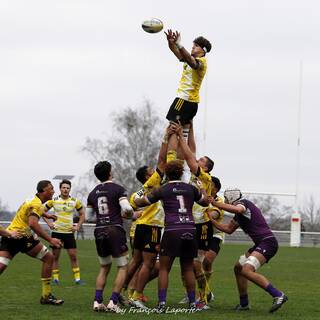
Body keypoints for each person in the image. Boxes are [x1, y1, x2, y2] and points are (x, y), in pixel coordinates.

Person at [135, 160, 209, 313]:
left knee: (163, 269)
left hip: (172, 230)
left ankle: (162, 304)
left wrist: (137, 198)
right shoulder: (191, 188)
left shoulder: (162, 189)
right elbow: (205, 202)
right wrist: (202, 190)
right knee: (188, 268)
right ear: (181, 173)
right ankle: (192, 304)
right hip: (190, 229)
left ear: (166, 174)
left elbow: (142, 202)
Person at [210, 188, 288, 313]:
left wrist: (216, 204)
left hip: (267, 242)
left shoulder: (243, 203)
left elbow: (238, 209)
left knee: (246, 270)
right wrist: (212, 221)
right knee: (238, 268)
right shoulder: (239, 215)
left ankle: (278, 295)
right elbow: (229, 229)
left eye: (225, 199)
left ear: (231, 197)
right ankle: (244, 304)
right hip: (260, 243)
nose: (224, 201)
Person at [0, 180, 64, 305]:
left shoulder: (32, 199)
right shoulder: (37, 204)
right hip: (23, 237)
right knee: (49, 258)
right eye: (51, 189)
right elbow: (33, 224)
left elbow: (33, 210)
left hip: (10, 236)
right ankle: (46, 296)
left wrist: (47, 215)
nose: (53, 191)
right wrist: (51, 239)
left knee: (1, 267)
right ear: (44, 191)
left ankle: (46, 296)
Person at [87, 161, 133, 313]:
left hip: (99, 230)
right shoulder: (118, 189)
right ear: (110, 173)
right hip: (114, 230)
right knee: (122, 266)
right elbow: (127, 208)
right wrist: (130, 214)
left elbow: (88, 216)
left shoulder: (92, 193)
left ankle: (97, 301)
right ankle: (113, 302)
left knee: (104, 267)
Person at [165, 29, 211, 141]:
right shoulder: (189, 59)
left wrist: (179, 44)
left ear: (203, 50)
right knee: (183, 134)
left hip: (184, 99)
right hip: (190, 102)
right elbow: (176, 52)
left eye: (196, 46)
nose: (192, 47)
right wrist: (171, 42)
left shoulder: (202, 62)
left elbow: (192, 62)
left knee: (173, 130)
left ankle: (171, 157)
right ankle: (182, 158)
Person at [43, 179, 85, 285]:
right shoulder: (54, 200)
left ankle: (77, 279)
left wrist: (78, 226)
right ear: (60, 189)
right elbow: (41, 211)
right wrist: (49, 223)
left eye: (67, 188)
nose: (65, 190)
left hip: (69, 233)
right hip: (57, 233)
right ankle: (56, 279)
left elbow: (82, 214)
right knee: (55, 257)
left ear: (70, 189)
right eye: (63, 188)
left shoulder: (75, 201)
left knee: (73, 256)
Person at [202, 176, 225, 303]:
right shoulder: (201, 198)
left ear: (215, 188)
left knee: (207, 261)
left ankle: (204, 292)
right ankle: (205, 292)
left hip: (215, 235)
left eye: (209, 184)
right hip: (201, 234)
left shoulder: (218, 201)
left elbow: (212, 215)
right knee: (196, 265)